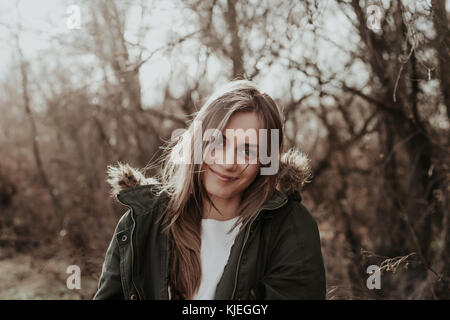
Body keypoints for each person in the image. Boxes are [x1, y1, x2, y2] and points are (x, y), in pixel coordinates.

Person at [93, 80, 326, 300]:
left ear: (265, 162)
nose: (227, 163)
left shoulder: (290, 227)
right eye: (218, 141)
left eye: (248, 150)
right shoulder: (141, 223)